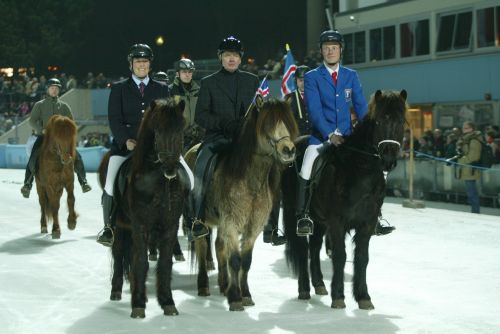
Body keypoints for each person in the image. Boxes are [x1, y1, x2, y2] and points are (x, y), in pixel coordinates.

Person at [296, 30, 395, 236]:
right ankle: (303, 214)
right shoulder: (312, 77)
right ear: (321, 52)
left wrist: (369, 130)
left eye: (334, 48)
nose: (330, 52)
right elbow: (314, 111)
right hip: (322, 137)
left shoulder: (351, 75)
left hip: (349, 138)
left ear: (341, 50)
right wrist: (329, 134)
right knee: (307, 164)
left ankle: (375, 216)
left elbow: (360, 107)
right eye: (326, 48)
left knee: (377, 168)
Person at [96, 43, 170, 246]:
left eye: (145, 61)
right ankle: (109, 227)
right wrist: (125, 140)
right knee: (110, 182)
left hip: (155, 148)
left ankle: (187, 220)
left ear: (150, 65)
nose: (142, 65)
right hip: (125, 146)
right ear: (131, 65)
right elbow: (114, 118)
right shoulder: (119, 88)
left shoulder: (162, 88)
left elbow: (167, 120)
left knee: (184, 176)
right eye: (138, 61)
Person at [187, 36, 259, 240]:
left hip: (244, 139)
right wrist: (225, 124)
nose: (231, 59)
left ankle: (270, 223)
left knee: (268, 163)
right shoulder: (208, 83)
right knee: (201, 165)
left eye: (235, 56)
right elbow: (201, 116)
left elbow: (258, 112)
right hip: (217, 138)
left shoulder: (251, 81)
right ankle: (197, 218)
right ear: (220, 58)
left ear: (240, 59)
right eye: (227, 55)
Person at [263, 65, 311, 245]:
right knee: (277, 178)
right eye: (300, 80)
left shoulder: (319, 98)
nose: (303, 83)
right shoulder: (289, 100)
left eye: (306, 80)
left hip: (314, 143)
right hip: (295, 144)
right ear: (296, 81)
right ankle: (272, 227)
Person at [20, 78, 91, 198]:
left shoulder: (64, 106)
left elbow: (71, 123)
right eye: (52, 88)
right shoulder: (39, 105)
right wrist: (40, 129)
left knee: (77, 156)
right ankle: (27, 184)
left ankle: (83, 181)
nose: (54, 90)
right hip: (44, 137)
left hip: (60, 139)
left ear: (59, 90)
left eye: (56, 88)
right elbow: (32, 121)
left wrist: (66, 133)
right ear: (47, 89)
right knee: (34, 156)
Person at [168, 59, 203, 151]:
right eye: (184, 72)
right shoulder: (170, 91)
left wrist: (198, 130)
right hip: (177, 140)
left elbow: (203, 112)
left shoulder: (199, 92)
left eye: (190, 72)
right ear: (177, 74)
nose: (187, 75)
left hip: (197, 138)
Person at [455, 121, 482, 213]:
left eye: (466, 128)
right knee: (470, 192)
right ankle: (474, 211)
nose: (463, 129)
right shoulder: (465, 139)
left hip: (471, 169)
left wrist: (461, 160)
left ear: (472, 129)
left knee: (472, 192)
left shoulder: (474, 140)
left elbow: (473, 156)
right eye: (463, 127)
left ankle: (475, 211)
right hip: (466, 169)